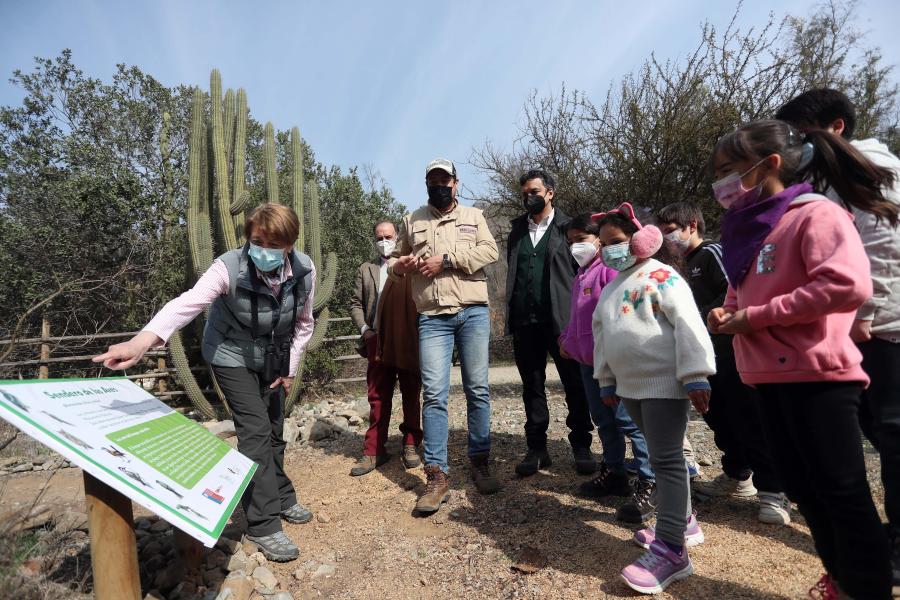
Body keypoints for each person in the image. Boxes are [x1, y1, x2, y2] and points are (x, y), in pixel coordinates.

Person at [708, 118, 896, 599]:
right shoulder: (749, 227)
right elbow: (739, 290)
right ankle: (840, 578)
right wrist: (728, 313)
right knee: (804, 489)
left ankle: (866, 587)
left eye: (729, 169)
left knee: (843, 491)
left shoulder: (815, 214)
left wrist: (755, 317)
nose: (721, 183)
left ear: (768, 165)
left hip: (819, 374)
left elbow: (846, 284)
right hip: (766, 376)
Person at [94, 204, 315, 563]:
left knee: (275, 429)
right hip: (230, 354)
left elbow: (304, 323)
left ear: (290, 245)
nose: (263, 249)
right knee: (256, 431)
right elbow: (187, 303)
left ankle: (283, 496)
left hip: (274, 354)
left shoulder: (305, 270)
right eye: (256, 241)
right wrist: (141, 342)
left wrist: (290, 366)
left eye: (273, 244)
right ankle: (262, 526)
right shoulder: (227, 268)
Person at [777, 88, 900, 589]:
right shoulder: (830, 177)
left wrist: (864, 313)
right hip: (856, 325)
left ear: (835, 128)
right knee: (880, 434)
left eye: (802, 138)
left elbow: (874, 254)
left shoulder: (866, 168)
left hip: (880, 326)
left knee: (891, 434)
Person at [592, 203, 715, 594]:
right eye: (604, 244)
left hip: (664, 384)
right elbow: (602, 339)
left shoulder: (663, 277)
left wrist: (696, 375)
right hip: (630, 388)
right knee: (662, 456)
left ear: (641, 239)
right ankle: (683, 521)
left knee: (666, 459)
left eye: (616, 241)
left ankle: (673, 549)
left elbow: (689, 324)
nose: (608, 249)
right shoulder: (611, 289)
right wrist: (606, 381)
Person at [656, 201, 789, 525]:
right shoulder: (674, 266)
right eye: (663, 233)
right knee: (716, 416)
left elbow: (734, 292)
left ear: (692, 226)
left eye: (672, 230)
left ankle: (773, 491)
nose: (668, 237)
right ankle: (737, 474)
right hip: (699, 356)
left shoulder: (713, 254)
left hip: (730, 352)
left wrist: (695, 319)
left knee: (748, 417)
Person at [390, 158, 500, 514]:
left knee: (477, 389)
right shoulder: (412, 219)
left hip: (472, 312)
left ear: (456, 182)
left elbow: (490, 251)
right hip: (432, 316)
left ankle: (480, 460)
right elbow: (395, 261)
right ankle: (437, 474)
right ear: (427, 184)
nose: (439, 186)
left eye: (444, 180)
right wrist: (401, 266)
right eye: (432, 181)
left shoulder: (475, 216)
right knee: (434, 394)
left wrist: (448, 260)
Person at [559, 213, 657, 523]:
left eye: (583, 239)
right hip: (590, 363)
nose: (577, 246)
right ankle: (615, 472)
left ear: (598, 241)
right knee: (603, 420)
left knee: (629, 421)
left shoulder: (607, 271)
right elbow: (578, 318)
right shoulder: (581, 274)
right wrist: (566, 339)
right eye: (571, 241)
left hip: (616, 361)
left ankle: (649, 480)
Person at [505, 169, 596, 476]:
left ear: (550, 192)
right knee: (532, 386)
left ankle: (581, 445)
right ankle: (537, 448)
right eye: (524, 193)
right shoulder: (516, 230)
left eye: (534, 191)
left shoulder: (568, 228)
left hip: (562, 322)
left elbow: (580, 273)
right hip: (524, 321)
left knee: (575, 384)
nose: (528, 197)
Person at [349, 220, 423, 476]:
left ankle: (412, 443)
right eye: (379, 237)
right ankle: (374, 450)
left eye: (388, 236)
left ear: (397, 237)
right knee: (378, 397)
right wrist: (365, 332)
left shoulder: (410, 265)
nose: (384, 241)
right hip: (377, 340)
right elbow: (355, 304)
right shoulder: (366, 269)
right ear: (374, 239)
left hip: (407, 338)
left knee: (412, 392)